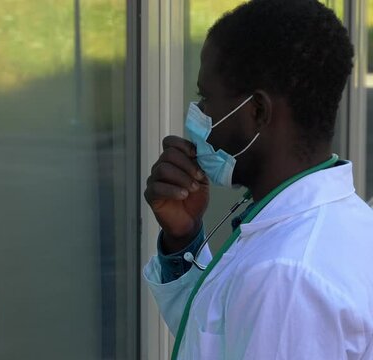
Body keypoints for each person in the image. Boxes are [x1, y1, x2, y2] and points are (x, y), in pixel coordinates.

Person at [143, 0, 373, 359]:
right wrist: (183, 239)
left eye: (206, 98)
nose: (198, 114)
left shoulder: (287, 277)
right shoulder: (342, 222)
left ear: (258, 111)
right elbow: (221, 336)